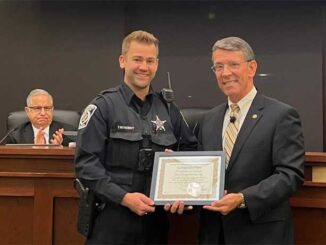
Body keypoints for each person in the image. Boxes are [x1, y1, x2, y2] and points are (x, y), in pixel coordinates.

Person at [74, 30, 197, 244]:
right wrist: (124, 198)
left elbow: (191, 151)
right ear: (123, 61)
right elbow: (86, 164)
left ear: (157, 64)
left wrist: (180, 179)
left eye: (150, 60)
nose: (144, 67)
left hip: (156, 221)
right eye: (137, 59)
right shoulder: (103, 107)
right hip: (112, 217)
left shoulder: (168, 109)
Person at [197, 37, 305, 244]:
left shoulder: (281, 115)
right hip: (214, 234)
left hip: (261, 234)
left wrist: (243, 199)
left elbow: (290, 175)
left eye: (233, 64)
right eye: (219, 66)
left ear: (252, 68)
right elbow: (203, 174)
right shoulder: (209, 119)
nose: (225, 73)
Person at [6, 89, 76, 146]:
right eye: (37, 108)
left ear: (52, 110)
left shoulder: (69, 133)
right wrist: (36, 150)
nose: (43, 113)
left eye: (47, 108)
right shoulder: (16, 136)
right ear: (27, 111)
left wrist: (58, 152)